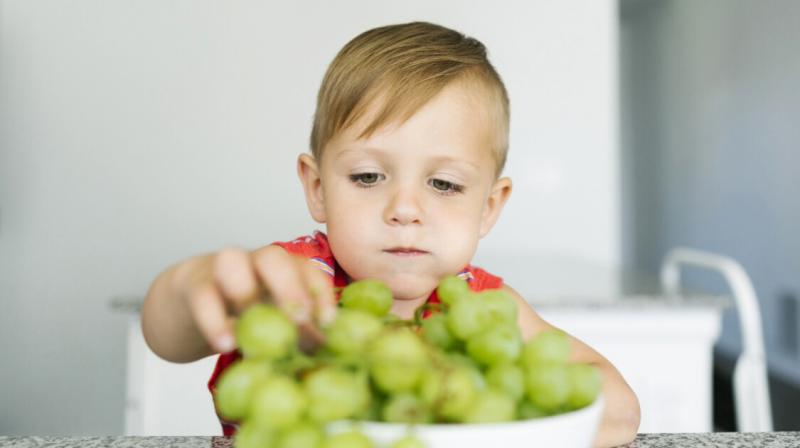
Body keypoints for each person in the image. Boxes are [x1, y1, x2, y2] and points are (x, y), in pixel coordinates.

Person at [141, 21, 640, 447]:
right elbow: (167, 335)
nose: (404, 209)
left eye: (444, 183)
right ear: (317, 188)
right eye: (367, 177)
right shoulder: (290, 282)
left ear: (489, 207)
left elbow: (617, 406)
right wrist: (195, 286)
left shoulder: (482, 305)